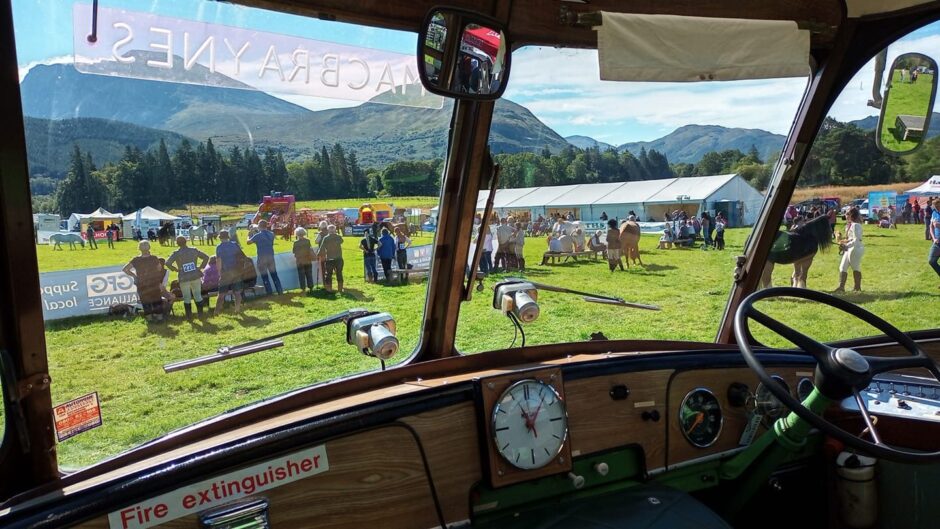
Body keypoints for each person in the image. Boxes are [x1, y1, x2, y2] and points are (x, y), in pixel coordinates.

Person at [165, 235, 209, 320]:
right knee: (197, 295)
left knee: (186, 297)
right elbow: (206, 257)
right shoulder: (194, 250)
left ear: (177, 243)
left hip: (183, 277)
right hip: (195, 275)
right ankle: (201, 315)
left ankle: (189, 317)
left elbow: (167, 263)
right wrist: (200, 267)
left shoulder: (176, 253)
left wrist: (175, 269)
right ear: (186, 241)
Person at [122, 241, 164, 322]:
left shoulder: (136, 260)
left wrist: (134, 276)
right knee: (157, 300)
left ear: (139, 248)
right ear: (149, 247)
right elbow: (159, 269)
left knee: (145, 301)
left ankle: (150, 319)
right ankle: (159, 318)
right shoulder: (154, 258)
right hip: (154, 282)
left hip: (141, 283)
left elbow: (125, 269)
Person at [247, 219, 283, 295]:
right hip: (270, 256)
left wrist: (249, 235)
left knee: (265, 276)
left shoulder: (258, 235)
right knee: (274, 275)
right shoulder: (271, 234)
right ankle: (280, 290)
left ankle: (269, 292)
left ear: (259, 226)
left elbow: (248, 242)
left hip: (262, 257)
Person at [835, 208, 865, 292]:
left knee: (855, 267)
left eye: (847, 213)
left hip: (856, 248)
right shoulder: (849, 225)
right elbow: (850, 239)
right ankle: (841, 288)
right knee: (842, 267)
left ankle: (857, 288)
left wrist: (846, 246)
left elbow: (857, 239)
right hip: (849, 248)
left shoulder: (856, 225)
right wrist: (841, 241)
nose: (845, 215)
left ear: (852, 215)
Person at [214, 231, 244, 314]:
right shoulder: (235, 244)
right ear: (228, 236)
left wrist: (219, 272)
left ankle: (216, 312)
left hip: (226, 272)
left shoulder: (219, 247)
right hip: (236, 270)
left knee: (221, 294)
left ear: (220, 238)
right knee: (237, 292)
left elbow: (219, 260)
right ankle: (237, 309)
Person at [320, 225, 344, 293]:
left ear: (328, 230)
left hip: (329, 258)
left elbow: (322, 248)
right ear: (335, 230)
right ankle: (340, 289)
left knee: (329, 274)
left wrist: (318, 255)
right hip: (339, 258)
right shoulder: (338, 237)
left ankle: (329, 289)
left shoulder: (326, 238)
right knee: (339, 273)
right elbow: (341, 241)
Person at [293, 227, 315, 293]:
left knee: (301, 275)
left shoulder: (296, 242)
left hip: (300, 261)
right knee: (309, 274)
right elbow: (310, 249)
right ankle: (311, 287)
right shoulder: (308, 241)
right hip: (308, 259)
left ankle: (303, 288)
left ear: (297, 234)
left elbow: (294, 251)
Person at [930, 203, 940, 284]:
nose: (936, 208)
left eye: (938, 206)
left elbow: (937, 225)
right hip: (937, 241)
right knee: (932, 261)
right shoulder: (934, 213)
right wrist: (933, 238)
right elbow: (931, 227)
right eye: (935, 206)